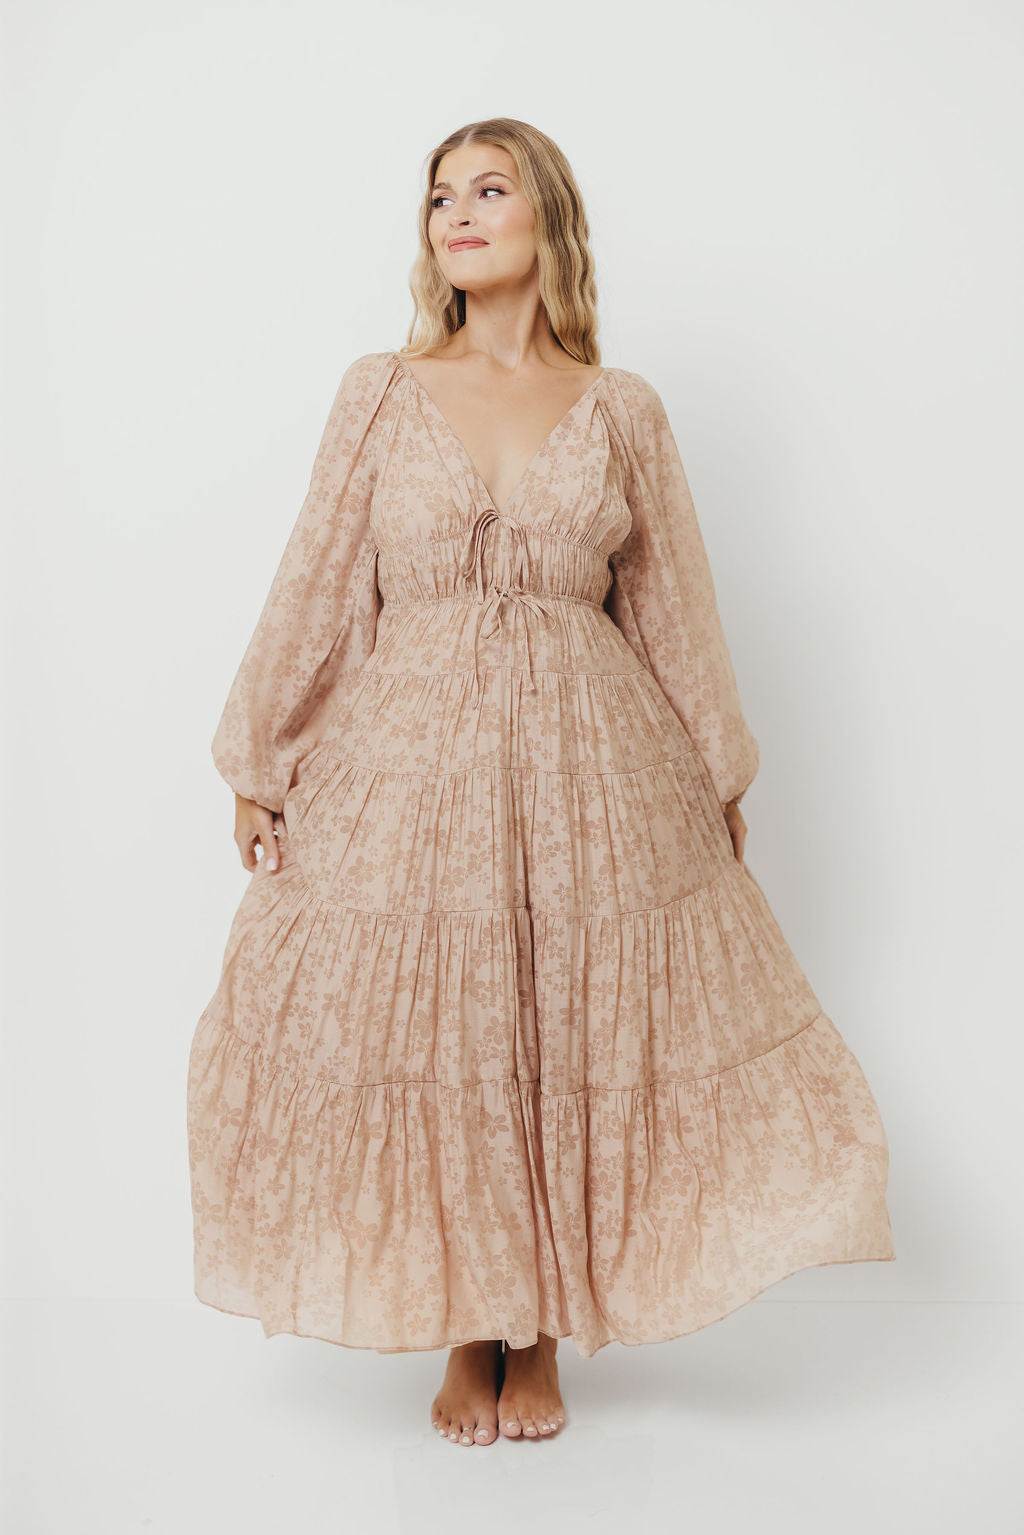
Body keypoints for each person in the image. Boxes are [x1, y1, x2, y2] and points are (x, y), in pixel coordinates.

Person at [186, 117, 895, 1449]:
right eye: (438, 196)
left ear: (547, 217)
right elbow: (320, 578)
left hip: (593, 767)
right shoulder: (380, 392)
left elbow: (673, 604)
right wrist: (260, 759)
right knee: (448, 1029)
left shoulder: (624, 408)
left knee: (564, 1023)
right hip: (414, 764)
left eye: (488, 189)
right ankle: (471, 1327)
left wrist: (718, 770)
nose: (456, 214)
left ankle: (545, 1329)